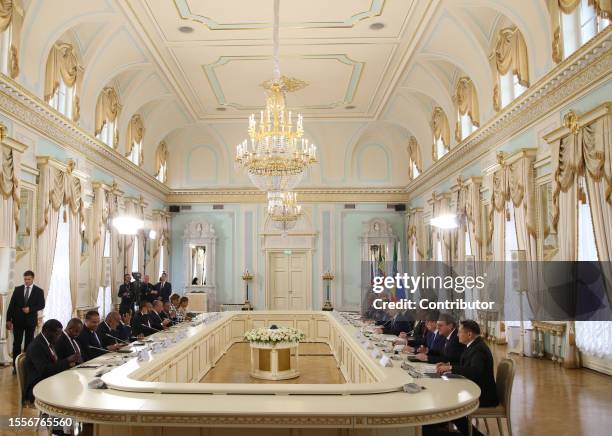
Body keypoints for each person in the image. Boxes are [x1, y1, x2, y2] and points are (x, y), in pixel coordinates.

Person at [434, 320, 498, 436]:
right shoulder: (473, 345)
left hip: (483, 395)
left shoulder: (479, 349)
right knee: (447, 400)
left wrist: (450, 368)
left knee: (452, 408)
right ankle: (441, 427)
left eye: (459, 332)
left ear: (469, 334)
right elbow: (465, 364)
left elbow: (474, 371)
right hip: (474, 388)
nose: (457, 335)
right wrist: (447, 365)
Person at [23, 319, 78, 403]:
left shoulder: (49, 342)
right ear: (46, 332)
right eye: (57, 334)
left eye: (60, 334)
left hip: (50, 381)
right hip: (37, 386)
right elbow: (45, 371)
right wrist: (67, 361)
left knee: (74, 385)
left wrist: (68, 364)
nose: (59, 337)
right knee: (68, 391)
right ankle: (59, 414)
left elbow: (55, 364)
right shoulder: (36, 346)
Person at [6, 270, 46, 371]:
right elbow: (11, 305)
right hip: (17, 321)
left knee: (29, 344)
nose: (26, 281)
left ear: (33, 279)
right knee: (17, 344)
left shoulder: (38, 291)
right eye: (25, 279)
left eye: (28, 279)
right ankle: (15, 367)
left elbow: (42, 305)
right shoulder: (18, 289)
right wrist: (8, 320)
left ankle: (27, 366)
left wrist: (30, 309)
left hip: (30, 322)